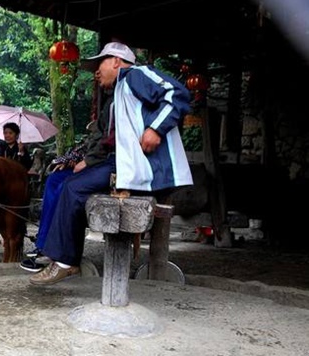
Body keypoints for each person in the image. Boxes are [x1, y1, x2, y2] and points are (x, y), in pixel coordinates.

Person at [29, 42, 193, 285]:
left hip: (142, 169)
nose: (96, 72)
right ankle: (59, 255)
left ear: (116, 61)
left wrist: (155, 130)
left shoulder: (135, 75)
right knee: (68, 184)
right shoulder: (119, 92)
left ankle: (65, 261)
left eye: (100, 64)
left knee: (73, 188)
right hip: (124, 166)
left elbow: (177, 93)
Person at [20, 133, 90, 272]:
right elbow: (78, 151)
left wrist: (86, 161)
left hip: (97, 165)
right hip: (82, 163)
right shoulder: (89, 138)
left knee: (64, 187)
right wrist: (71, 159)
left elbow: (102, 150)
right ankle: (43, 243)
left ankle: (55, 251)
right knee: (54, 179)